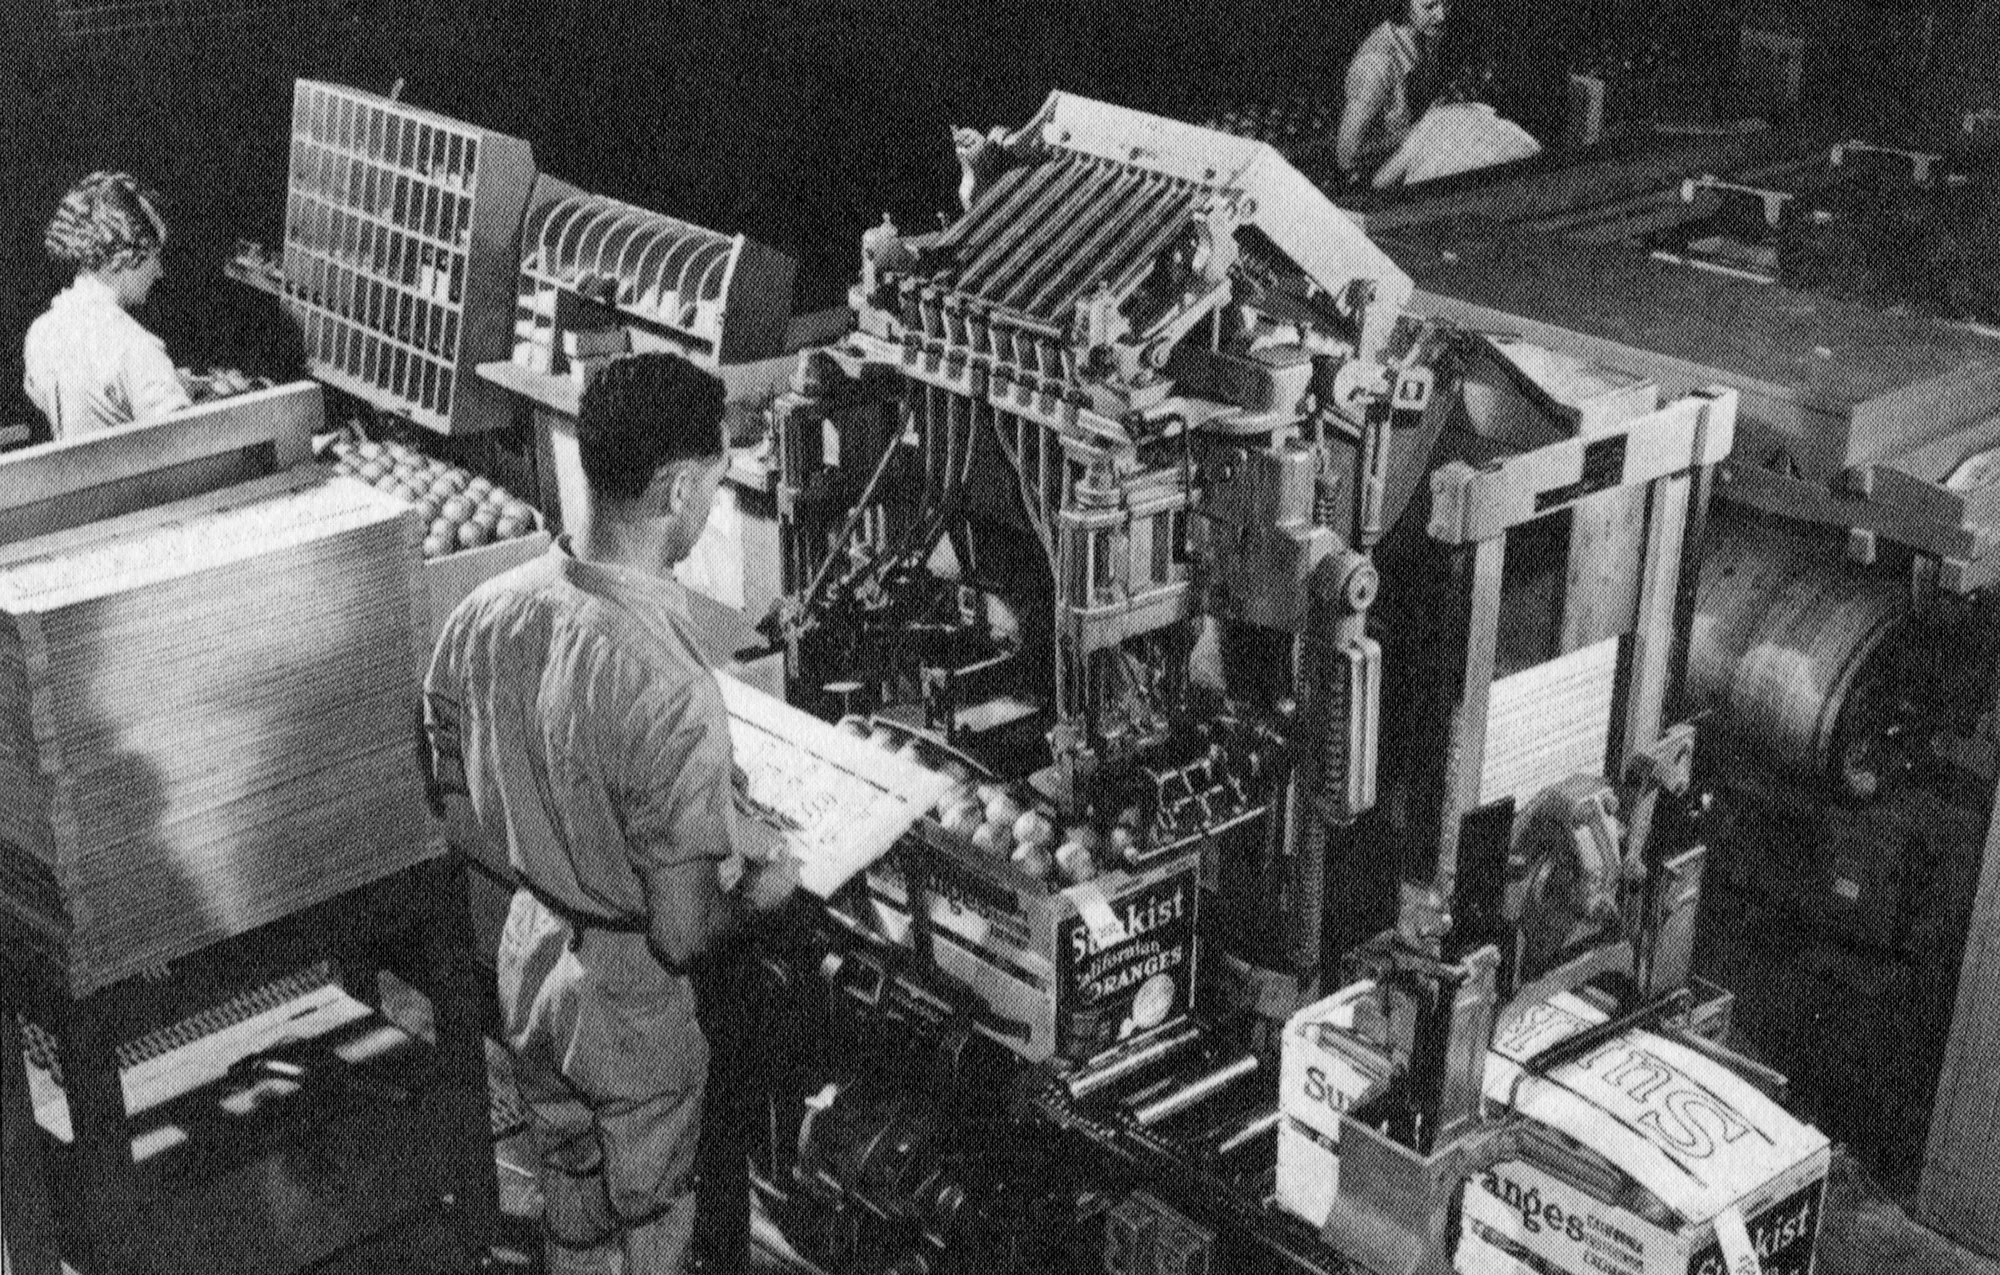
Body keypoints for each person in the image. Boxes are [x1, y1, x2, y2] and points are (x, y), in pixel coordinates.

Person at [424, 351, 800, 1274]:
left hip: (528, 961)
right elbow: (683, 933)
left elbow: (451, 798)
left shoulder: (487, 611)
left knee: (574, 1208)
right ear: (677, 489)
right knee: (656, 1224)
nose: (709, 505)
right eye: (714, 483)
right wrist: (763, 891)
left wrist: (554, 848)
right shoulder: (669, 687)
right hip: (631, 1004)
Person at [24, 172, 191, 439]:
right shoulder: (136, 348)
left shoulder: (41, 333)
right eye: (155, 256)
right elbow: (187, 446)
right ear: (126, 256)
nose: (159, 271)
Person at [1334, 0, 1449, 183]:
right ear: (1404, 6)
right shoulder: (1375, 65)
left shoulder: (1425, 36)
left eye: (1447, 3)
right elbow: (1346, 155)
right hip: (1379, 187)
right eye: (1429, 7)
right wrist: (1422, 131)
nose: (1442, 15)